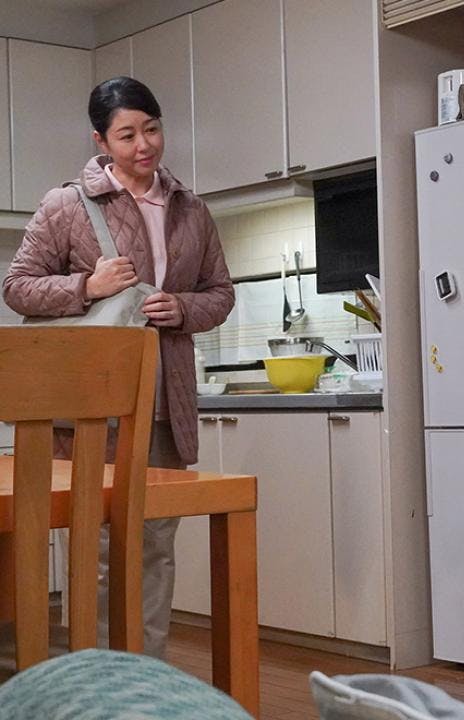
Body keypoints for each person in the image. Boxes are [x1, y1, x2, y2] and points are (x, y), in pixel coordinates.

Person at [2, 76, 234, 658]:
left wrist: (182, 308)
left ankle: (145, 673)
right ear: (100, 141)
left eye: (151, 129)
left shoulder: (191, 209)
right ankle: (97, 675)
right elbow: (17, 287)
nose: (143, 145)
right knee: (98, 548)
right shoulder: (66, 206)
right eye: (127, 135)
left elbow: (221, 294)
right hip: (90, 410)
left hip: (164, 406)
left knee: (155, 546)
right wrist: (87, 285)